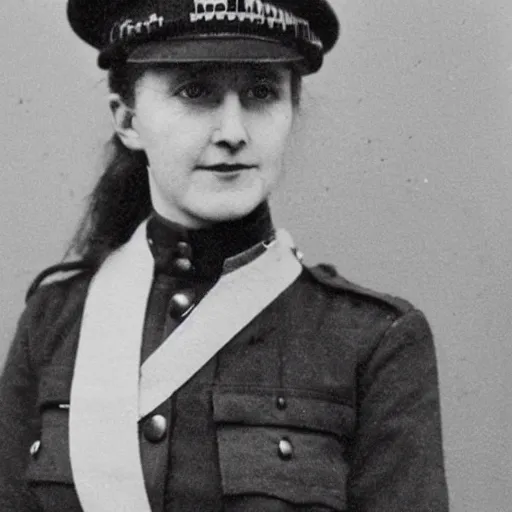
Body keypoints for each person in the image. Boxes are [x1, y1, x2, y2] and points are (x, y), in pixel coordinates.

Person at [0, 0, 449, 510]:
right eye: (196, 92)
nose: (233, 132)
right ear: (127, 121)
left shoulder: (372, 343)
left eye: (261, 93)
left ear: (291, 113)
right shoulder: (54, 324)